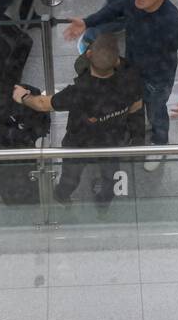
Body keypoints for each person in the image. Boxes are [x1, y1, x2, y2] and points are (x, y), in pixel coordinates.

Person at [62, 0, 178, 170]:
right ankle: (139, 126)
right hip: (132, 66)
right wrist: (86, 22)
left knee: (156, 111)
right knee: (133, 101)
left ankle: (159, 144)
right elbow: (113, 10)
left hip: (157, 78)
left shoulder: (172, 22)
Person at [14, 33, 143, 206]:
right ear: (116, 61)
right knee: (110, 175)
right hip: (112, 140)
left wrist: (23, 97)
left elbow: (42, 104)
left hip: (78, 142)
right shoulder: (131, 80)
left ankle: (62, 196)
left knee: (70, 176)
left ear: (89, 55)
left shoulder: (79, 92)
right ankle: (103, 204)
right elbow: (136, 107)